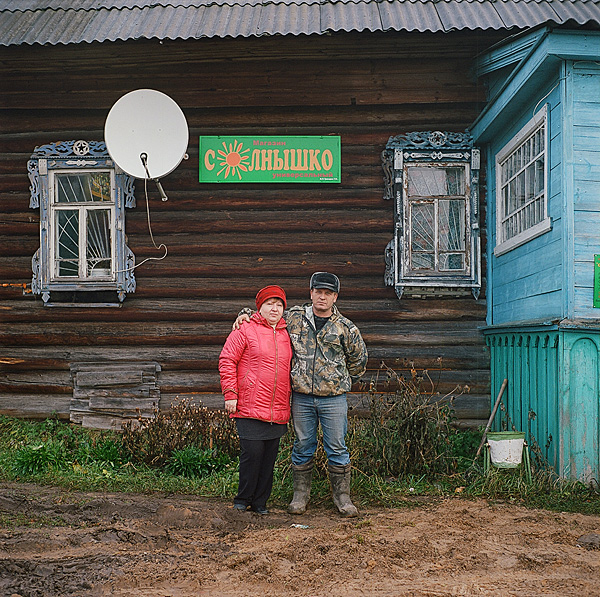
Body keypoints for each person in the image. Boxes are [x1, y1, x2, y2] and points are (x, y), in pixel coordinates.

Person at [235, 272, 368, 517]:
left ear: (335, 297)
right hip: (302, 398)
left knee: (337, 447)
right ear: (311, 293)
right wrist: (244, 313)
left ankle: (342, 498)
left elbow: (359, 362)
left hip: (334, 399)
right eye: (318, 291)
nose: (322, 297)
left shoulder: (346, 328)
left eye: (328, 293)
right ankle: (300, 496)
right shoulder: (294, 318)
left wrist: (337, 380)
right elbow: (267, 313)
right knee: (303, 445)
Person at [219, 285, 292, 515]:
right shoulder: (245, 329)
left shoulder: (288, 333)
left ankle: (260, 502)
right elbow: (227, 360)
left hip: (277, 407)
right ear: (259, 307)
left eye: (279, 304)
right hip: (249, 404)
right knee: (252, 455)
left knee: (269, 459)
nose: (275, 308)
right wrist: (230, 394)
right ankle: (243, 499)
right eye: (270, 303)